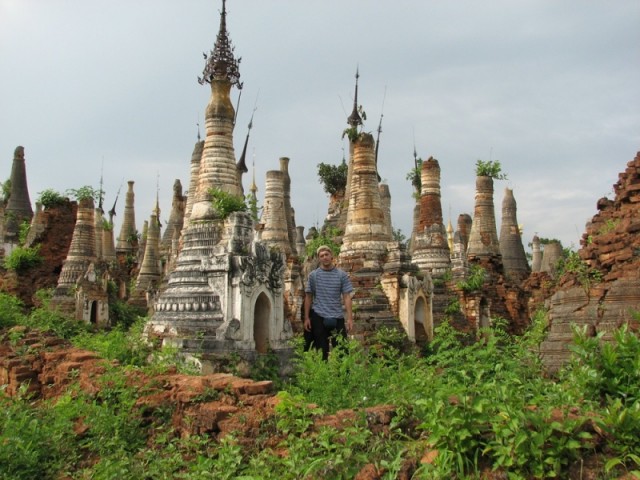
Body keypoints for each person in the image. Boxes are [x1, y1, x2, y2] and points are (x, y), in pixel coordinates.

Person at [304, 245, 353, 360]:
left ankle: (342, 372)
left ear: (332, 256)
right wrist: (306, 318)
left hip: (337, 316)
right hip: (319, 315)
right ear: (319, 258)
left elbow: (346, 297)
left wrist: (350, 318)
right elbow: (308, 297)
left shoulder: (341, 275)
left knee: (342, 352)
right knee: (321, 352)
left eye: (326, 255)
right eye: (321, 256)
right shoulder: (313, 276)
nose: (324, 257)